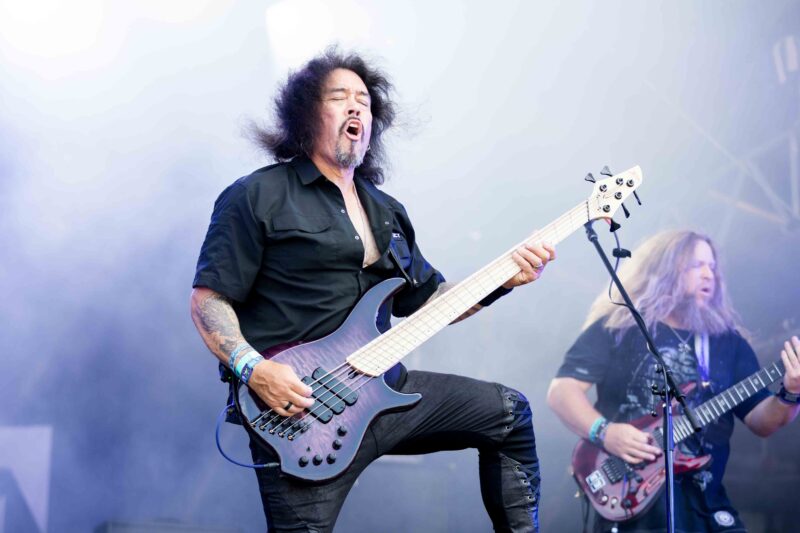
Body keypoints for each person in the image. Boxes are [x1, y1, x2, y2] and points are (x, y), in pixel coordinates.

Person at [190, 47, 555, 533]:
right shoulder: (257, 195)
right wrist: (254, 370)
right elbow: (209, 300)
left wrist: (504, 279)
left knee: (509, 415)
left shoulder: (386, 210)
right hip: (303, 413)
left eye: (364, 101)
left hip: (387, 393)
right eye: (339, 97)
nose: (356, 108)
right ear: (306, 114)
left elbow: (429, 302)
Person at [547, 230, 800, 532]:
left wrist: (791, 393)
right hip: (632, 496)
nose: (708, 275)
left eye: (712, 267)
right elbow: (562, 392)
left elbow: (762, 422)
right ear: (664, 269)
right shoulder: (619, 326)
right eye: (696, 265)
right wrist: (606, 432)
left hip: (706, 503)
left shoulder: (728, 343)